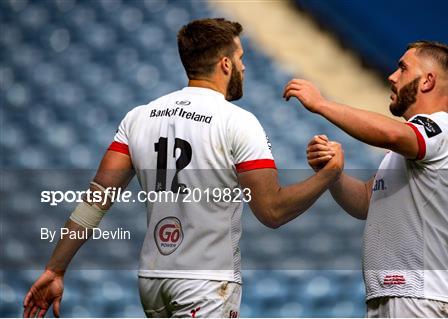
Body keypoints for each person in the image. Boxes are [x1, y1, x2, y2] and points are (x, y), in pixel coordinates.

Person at [23, 18, 343, 318]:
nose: (245, 66)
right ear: (226, 63)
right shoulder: (237, 122)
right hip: (205, 283)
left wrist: (56, 268)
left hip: (152, 281)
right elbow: (272, 211)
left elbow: (96, 199)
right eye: (241, 57)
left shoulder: (140, 117)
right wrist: (328, 175)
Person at [284, 41, 448, 318]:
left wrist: (321, 104)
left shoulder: (440, 129)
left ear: (428, 81)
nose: (392, 76)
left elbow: (392, 134)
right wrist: (333, 173)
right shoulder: (407, 149)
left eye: (403, 68)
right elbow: (366, 202)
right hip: (392, 295)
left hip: (419, 295)